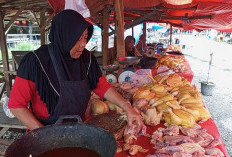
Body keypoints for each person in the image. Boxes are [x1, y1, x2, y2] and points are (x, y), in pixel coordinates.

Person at [8, 10, 143, 133]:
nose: (83, 44)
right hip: (42, 132)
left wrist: (127, 107)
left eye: (85, 37)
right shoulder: (35, 62)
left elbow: (102, 86)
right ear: (64, 36)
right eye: (78, 38)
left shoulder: (87, 59)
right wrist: (43, 133)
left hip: (77, 130)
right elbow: (16, 105)